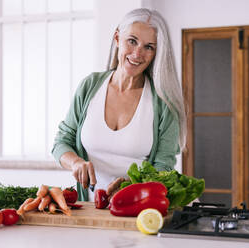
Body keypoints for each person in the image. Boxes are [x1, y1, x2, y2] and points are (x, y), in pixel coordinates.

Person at [52, 8, 186, 201]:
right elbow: (61, 142)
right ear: (117, 38)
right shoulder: (90, 86)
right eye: (132, 41)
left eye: (149, 47)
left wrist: (131, 188)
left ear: (157, 53)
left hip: (138, 208)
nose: (137, 53)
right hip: (90, 210)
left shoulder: (164, 101)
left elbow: (163, 168)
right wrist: (75, 163)